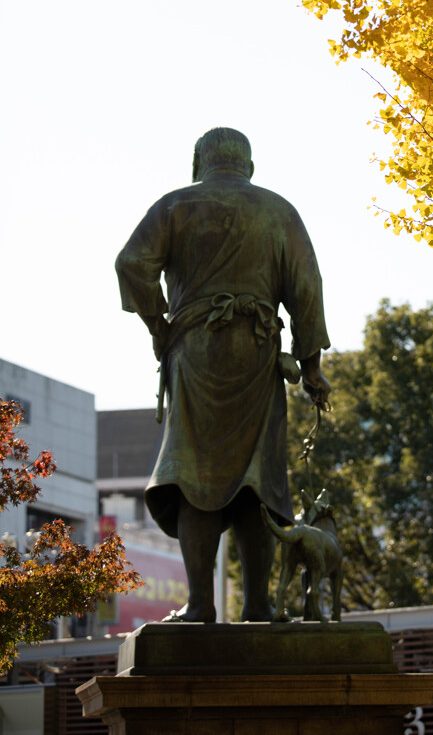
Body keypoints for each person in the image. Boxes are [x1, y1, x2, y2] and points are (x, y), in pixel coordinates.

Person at [115, 128, 330, 622]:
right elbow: (307, 288)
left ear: (199, 162)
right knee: (260, 476)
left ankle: (201, 605)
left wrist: (158, 325)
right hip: (257, 356)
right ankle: (257, 602)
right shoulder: (278, 211)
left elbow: (130, 264)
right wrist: (312, 366)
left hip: (194, 352)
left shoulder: (175, 205)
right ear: (248, 165)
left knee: (193, 473)